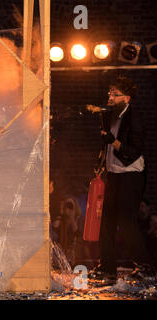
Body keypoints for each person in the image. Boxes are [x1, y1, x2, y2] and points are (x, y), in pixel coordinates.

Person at [91, 76, 149, 284]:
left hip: (130, 175)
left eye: (115, 94)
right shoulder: (109, 116)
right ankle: (107, 268)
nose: (110, 97)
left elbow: (133, 152)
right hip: (114, 175)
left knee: (126, 223)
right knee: (106, 222)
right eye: (110, 93)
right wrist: (101, 162)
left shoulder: (134, 118)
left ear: (127, 98)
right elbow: (106, 145)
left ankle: (145, 266)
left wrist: (112, 142)